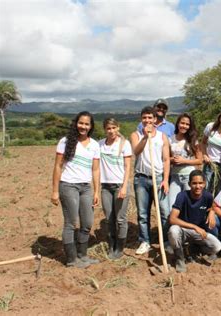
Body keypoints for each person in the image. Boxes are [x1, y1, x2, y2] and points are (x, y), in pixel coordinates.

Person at [51, 111, 100, 268]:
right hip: (68, 185)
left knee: (87, 223)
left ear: (91, 127)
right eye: (81, 123)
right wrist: (55, 190)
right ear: (75, 124)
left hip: (85, 187)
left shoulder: (94, 145)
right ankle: (72, 260)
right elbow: (58, 166)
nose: (83, 126)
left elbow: (95, 170)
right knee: (71, 223)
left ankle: (82, 255)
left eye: (87, 124)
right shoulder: (65, 142)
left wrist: (97, 191)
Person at [130, 106, 170, 255]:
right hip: (141, 178)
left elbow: (166, 160)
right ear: (141, 119)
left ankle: (166, 241)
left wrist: (165, 179)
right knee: (142, 213)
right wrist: (146, 137)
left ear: (155, 119)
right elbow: (136, 151)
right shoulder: (136, 135)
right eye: (144, 118)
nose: (147, 120)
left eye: (150, 118)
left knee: (165, 212)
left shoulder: (162, 137)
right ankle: (144, 241)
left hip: (158, 178)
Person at [168, 170, 221, 272]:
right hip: (183, 230)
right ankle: (180, 258)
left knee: (217, 247)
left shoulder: (208, 196)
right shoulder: (182, 196)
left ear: (205, 184)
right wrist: (194, 227)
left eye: (200, 183)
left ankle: (193, 250)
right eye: (194, 183)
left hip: (198, 233)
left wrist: (212, 212)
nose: (198, 186)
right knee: (173, 230)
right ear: (189, 184)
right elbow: (172, 218)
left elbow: (213, 206)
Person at [99, 118, 132, 259]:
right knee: (109, 218)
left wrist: (124, 186)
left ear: (118, 127)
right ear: (105, 129)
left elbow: (127, 167)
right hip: (105, 186)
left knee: (120, 219)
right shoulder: (100, 144)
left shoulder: (124, 144)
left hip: (120, 185)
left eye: (113, 127)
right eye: (108, 128)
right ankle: (111, 245)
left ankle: (120, 247)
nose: (111, 131)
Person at [168, 113, 202, 209]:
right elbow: (166, 158)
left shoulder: (193, 140)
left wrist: (184, 160)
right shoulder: (171, 139)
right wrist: (172, 160)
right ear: (178, 123)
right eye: (182, 123)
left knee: (189, 205)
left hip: (189, 177)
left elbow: (199, 160)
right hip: (174, 176)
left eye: (187, 124)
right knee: (172, 205)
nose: (184, 126)